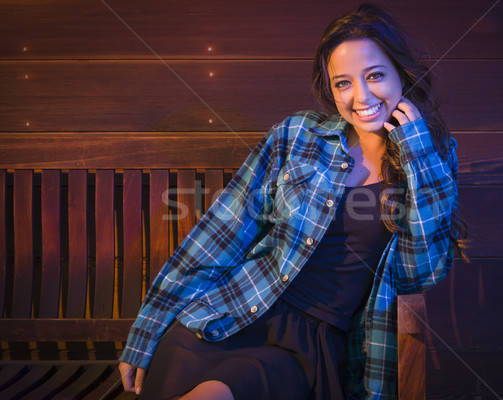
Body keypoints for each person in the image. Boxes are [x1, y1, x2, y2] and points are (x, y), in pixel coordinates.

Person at [119, 3, 468, 399]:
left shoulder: (431, 157)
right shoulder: (298, 135)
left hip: (310, 348)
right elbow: (220, 233)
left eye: (374, 76)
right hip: (233, 312)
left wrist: (415, 152)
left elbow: (420, 272)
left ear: (401, 74)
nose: (361, 96)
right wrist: (147, 330)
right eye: (343, 83)